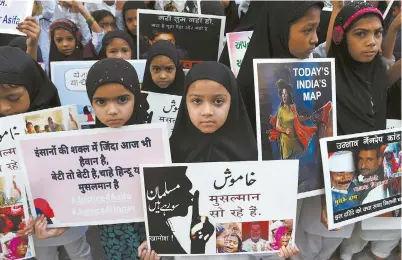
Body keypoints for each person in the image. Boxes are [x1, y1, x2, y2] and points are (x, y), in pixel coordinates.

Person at [139, 62, 298, 260]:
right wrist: (156, 243)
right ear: (184, 102)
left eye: (218, 101)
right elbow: (164, 214)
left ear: (233, 102)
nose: (207, 111)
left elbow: (264, 216)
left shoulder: (254, 153)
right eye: (196, 101)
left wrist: (279, 247)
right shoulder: (170, 155)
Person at [0, 46, 92, 260]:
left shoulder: (56, 121)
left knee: (79, 252)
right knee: (43, 254)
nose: (4, 107)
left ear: (33, 88)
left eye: (13, 98)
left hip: (64, 209)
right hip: (28, 220)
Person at [86, 58, 150, 259]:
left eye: (122, 99)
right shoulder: (83, 145)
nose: (112, 110)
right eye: (101, 102)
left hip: (147, 225)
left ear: (136, 97)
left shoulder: (153, 140)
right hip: (110, 225)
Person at [236, 1, 324, 134]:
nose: (315, 39)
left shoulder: (316, 74)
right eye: (307, 30)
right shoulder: (250, 84)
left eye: (316, 29)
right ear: (281, 29)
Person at [267, 79, 317, 160]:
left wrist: (308, 118)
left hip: (294, 139)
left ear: (289, 95)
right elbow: (277, 126)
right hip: (285, 141)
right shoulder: (281, 110)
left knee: (295, 160)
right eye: (282, 94)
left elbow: (297, 118)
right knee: (287, 162)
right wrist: (285, 130)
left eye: (285, 94)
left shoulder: (293, 107)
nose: (284, 96)